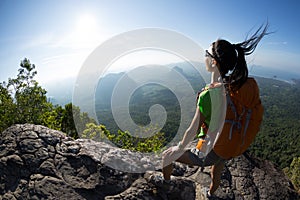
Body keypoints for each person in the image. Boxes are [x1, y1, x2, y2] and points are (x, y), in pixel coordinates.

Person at [158, 23, 270, 198]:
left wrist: (178, 148)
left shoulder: (209, 94)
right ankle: (211, 193)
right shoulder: (236, 86)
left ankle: (165, 187)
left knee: (166, 157)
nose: (204, 57)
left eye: (206, 54)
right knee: (216, 170)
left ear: (213, 61)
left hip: (214, 150)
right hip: (232, 146)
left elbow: (193, 130)